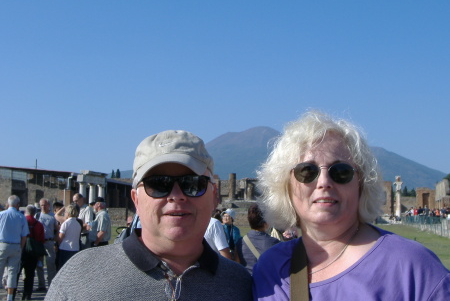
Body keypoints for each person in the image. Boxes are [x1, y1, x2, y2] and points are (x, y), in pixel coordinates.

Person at [252, 110, 450, 300]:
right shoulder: (270, 270)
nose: (324, 182)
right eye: (307, 171)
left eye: (340, 171)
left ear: (361, 183)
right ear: (285, 185)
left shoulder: (413, 267)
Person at [46, 129, 252, 300]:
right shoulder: (80, 276)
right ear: (136, 199)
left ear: (214, 196)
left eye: (193, 184)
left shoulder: (243, 285)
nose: (176, 196)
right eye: (158, 184)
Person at [235, 203, 279, 274]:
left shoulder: (240, 242)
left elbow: (237, 267)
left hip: (246, 281)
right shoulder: (274, 243)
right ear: (265, 221)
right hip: (265, 283)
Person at [0, 195, 29, 301]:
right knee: (12, 272)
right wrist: (20, 247)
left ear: (8, 203)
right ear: (17, 205)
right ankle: (10, 297)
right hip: (15, 245)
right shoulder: (21, 217)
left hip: (2, 244)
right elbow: (24, 235)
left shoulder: (1, 214)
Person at [18, 205, 45, 300]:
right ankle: (27, 295)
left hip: (22, 249)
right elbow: (42, 239)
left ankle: (12, 294)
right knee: (30, 274)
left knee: (17, 273)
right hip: (33, 251)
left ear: (26, 211)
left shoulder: (21, 221)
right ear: (34, 213)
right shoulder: (39, 224)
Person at [35, 198, 58, 291]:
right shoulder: (37, 215)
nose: (43, 207)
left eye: (45, 205)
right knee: (39, 264)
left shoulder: (53, 216)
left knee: (50, 264)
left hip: (49, 241)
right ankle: (41, 285)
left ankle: (51, 285)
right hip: (39, 242)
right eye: (41, 205)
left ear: (49, 205)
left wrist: (55, 241)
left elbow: (57, 230)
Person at [57, 204, 82, 269]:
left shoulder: (66, 223)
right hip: (75, 248)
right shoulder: (78, 224)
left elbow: (60, 238)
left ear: (67, 213)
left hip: (65, 248)